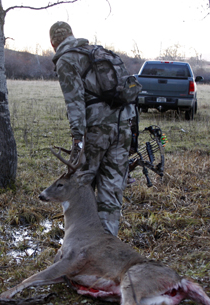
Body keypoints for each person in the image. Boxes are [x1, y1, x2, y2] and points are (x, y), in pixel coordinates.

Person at [49, 21, 136, 236]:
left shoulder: (66, 60)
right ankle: (107, 245)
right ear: (71, 34)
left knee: (80, 184)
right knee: (112, 189)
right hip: (123, 125)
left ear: (53, 43)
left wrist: (78, 141)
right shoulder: (97, 53)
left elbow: (75, 103)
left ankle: (78, 243)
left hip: (96, 130)